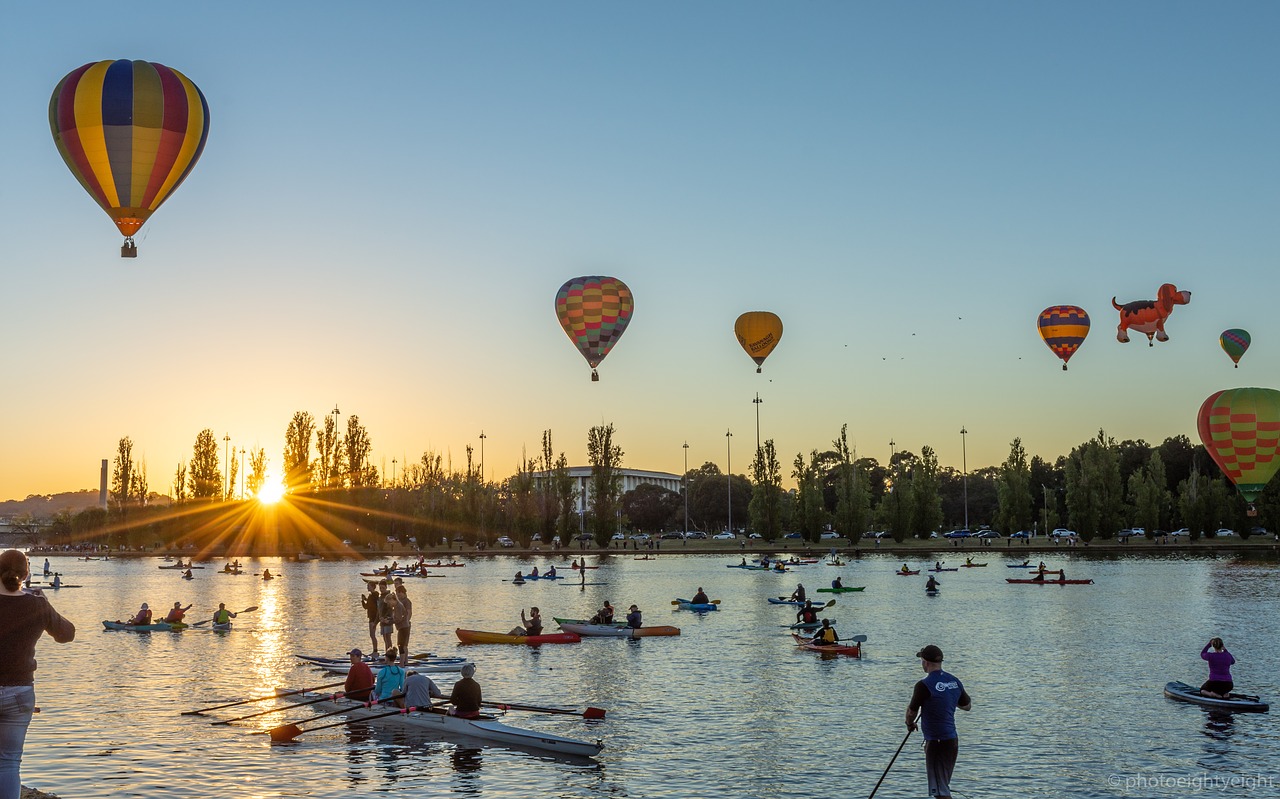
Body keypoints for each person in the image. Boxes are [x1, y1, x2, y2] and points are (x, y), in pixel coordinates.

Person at [0, 549, 76, 799]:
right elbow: (67, 634)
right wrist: (44, 602)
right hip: (20, 692)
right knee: (9, 762)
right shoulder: (37, 604)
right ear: (26, 574)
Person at [906, 644, 972, 799]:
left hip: (937, 742)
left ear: (925, 662)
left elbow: (911, 712)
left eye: (921, 660)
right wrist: (946, 698)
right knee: (943, 786)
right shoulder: (954, 681)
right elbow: (967, 706)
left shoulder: (923, 685)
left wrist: (910, 724)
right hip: (952, 741)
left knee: (941, 792)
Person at [393, 584, 413, 666]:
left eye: (399, 593)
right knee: (402, 644)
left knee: (403, 644)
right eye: (397, 594)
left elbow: (409, 612)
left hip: (405, 625)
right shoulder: (399, 601)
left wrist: (407, 621)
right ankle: (404, 660)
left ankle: (405, 661)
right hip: (400, 625)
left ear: (403, 593)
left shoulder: (406, 601)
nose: (398, 595)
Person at [360, 583, 381, 656]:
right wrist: (365, 599)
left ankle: (375, 651)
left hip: (373, 617)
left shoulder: (373, 596)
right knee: (372, 635)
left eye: (368, 586)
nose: (367, 587)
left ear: (372, 587)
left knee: (372, 635)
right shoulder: (374, 596)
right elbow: (370, 605)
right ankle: (375, 650)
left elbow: (366, 606)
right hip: (374, 617)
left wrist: (363, 601)